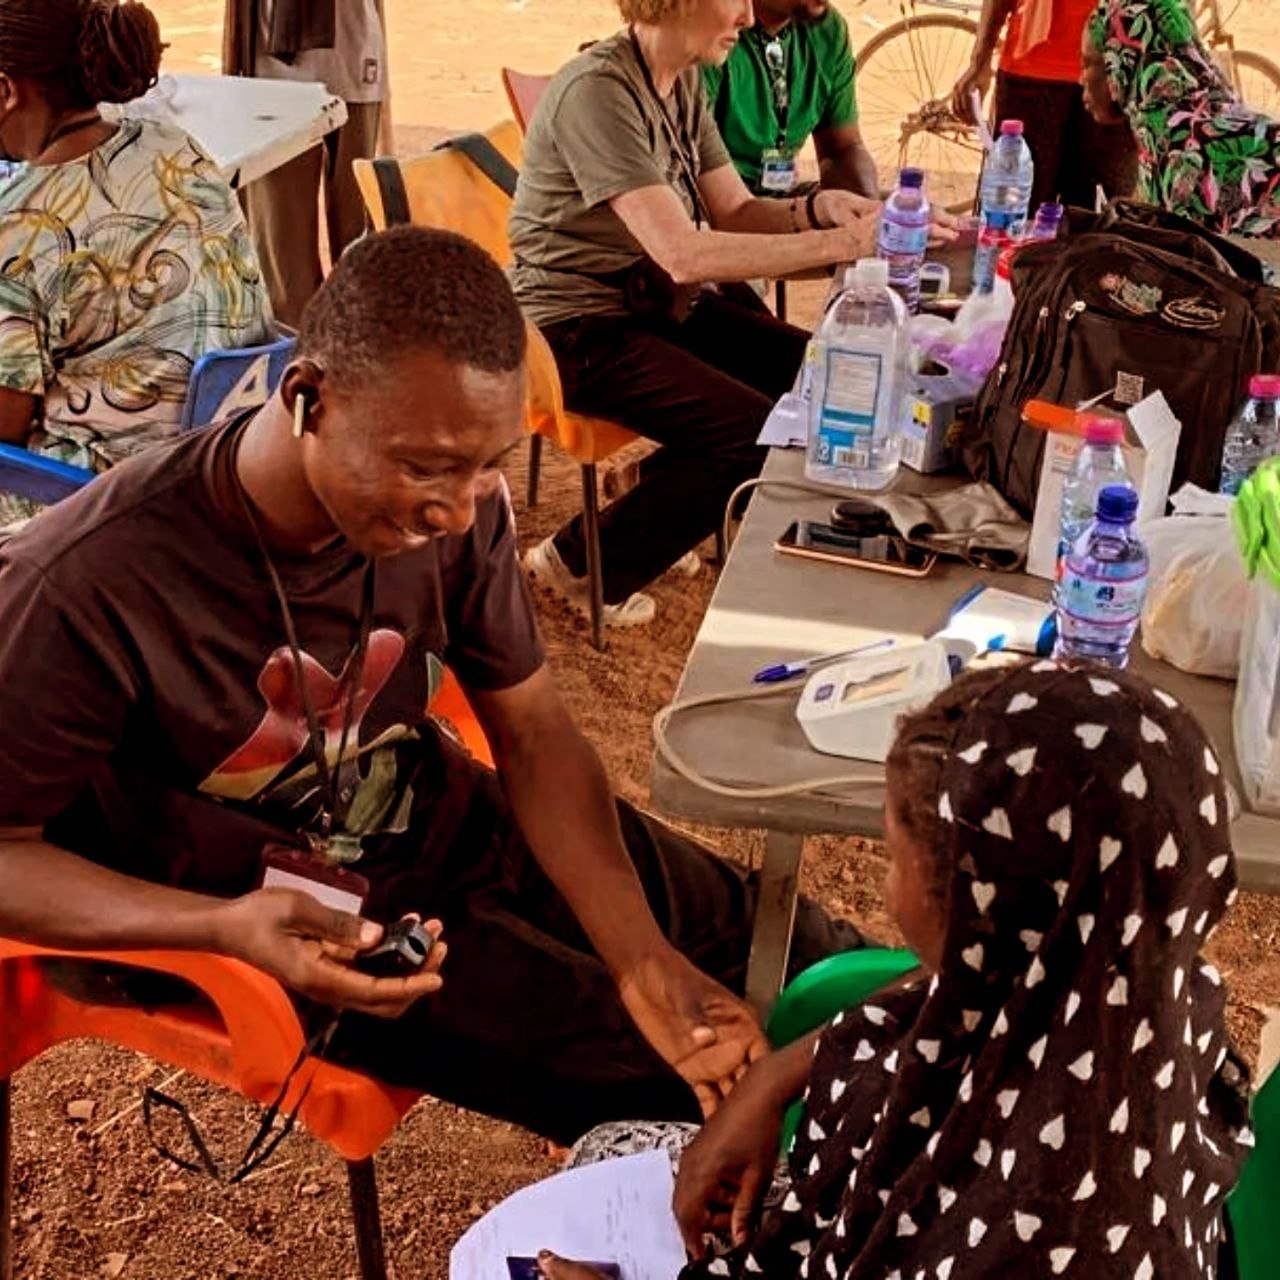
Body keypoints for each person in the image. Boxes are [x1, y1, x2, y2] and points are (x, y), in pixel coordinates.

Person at [0, 226, 866, 1145]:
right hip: (274, 917)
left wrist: (641, 957)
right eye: (426, 466)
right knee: (698, 1095)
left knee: (808, 954)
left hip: (443, 820)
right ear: (307, 399)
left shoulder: (456, 511)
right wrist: (222, 927)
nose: (458, 509)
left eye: (488, 463)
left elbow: (533, 731)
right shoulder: (84, 584)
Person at [535, 661, 1254, 1279]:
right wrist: (778, 1073)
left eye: (890, 854)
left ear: (979, 923)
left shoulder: (1030, 1223)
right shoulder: (1149, 985)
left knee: (602, 1152)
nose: (884, 888)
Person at [510, 0, 924, 628]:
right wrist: (842, 246)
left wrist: (820, 208)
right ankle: (576, 565)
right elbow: (682, 253)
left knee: (813, 375)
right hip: (576, 325)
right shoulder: (598, 92)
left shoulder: (678, 83)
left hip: (649, 301)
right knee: (753, 435)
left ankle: (653, 494)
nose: (748, 16)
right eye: (734, 0)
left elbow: (732, 208)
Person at [0, 0, 272, 487]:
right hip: (225, 465)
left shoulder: (20, 225)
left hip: (100, 501)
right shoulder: (176, 149)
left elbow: (6, 429)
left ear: (6, 91)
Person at [223, 0, 388, 326]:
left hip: (352, 56)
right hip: (272, 70)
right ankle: (294, 359)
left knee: (358, 246)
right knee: (283, 261)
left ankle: (355, 351)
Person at [1083, 0, 1280, 238]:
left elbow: (1191, 264)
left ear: (1119, 66)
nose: (1080, 79)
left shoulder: (1183, 154)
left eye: (1087, 64)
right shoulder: (1168, 132)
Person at [950, 0, 1137, 210]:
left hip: (1117, 75)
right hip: (1031, 74)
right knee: (1008, 220)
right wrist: (979, 61)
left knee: (1102, 226)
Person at [701, 0, 877, 199]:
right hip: (718, 207)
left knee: (902, 210)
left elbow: (843, 149)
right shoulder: (713, 34)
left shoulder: (827, 30)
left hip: (778, 198)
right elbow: (715, 198)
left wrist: (868, 211)